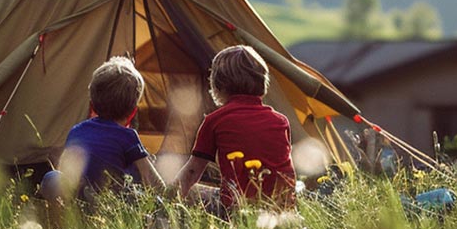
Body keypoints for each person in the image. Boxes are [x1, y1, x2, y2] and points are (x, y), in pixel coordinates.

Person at [176, 45, 295, 217]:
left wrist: (168, 195)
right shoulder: (281, 121)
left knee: (194, 192)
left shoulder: (215, 120)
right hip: (281, 212)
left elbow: (192, 172)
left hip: (237, 210)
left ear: (218, 83)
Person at [40, 56, 168, 206]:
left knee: (52, 177)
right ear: (133, 113)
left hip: (77, 200)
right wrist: (165, 196)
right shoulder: (128, 136)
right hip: (111, 203)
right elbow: (151, 179)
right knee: (139, 180)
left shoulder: (77, 130)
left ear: (92, 106)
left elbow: (65, 170)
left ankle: (78, 201)